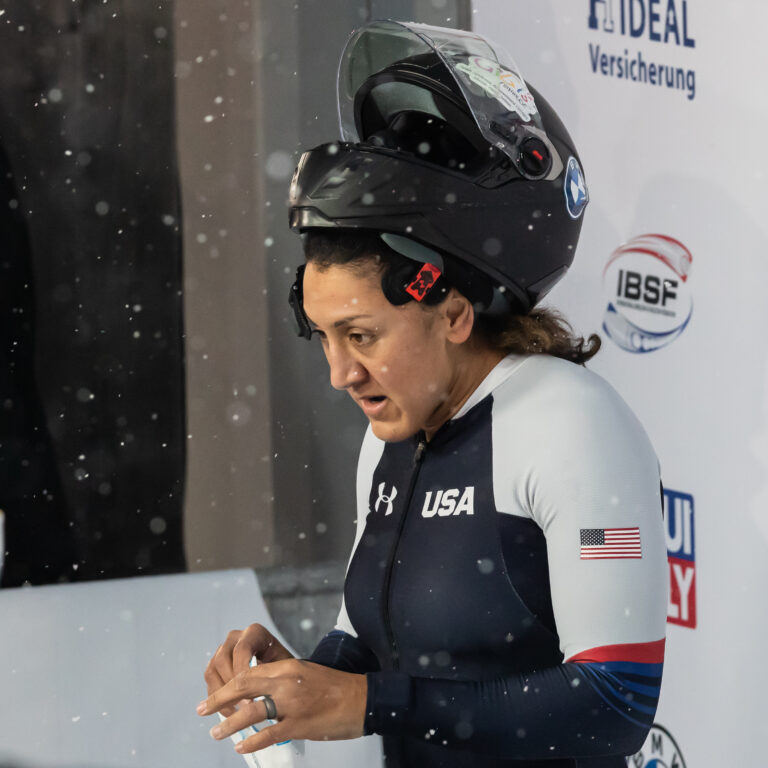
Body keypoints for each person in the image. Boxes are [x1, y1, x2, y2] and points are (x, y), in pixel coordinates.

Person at [196, 22, 668, 767]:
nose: (340, 374)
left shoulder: (571, 424)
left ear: (452, 314)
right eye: (322, 336)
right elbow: (374, 643)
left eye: (362, 335)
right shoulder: (394, 428)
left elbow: (616, 705)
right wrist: (298, 681)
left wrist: (365, 703)